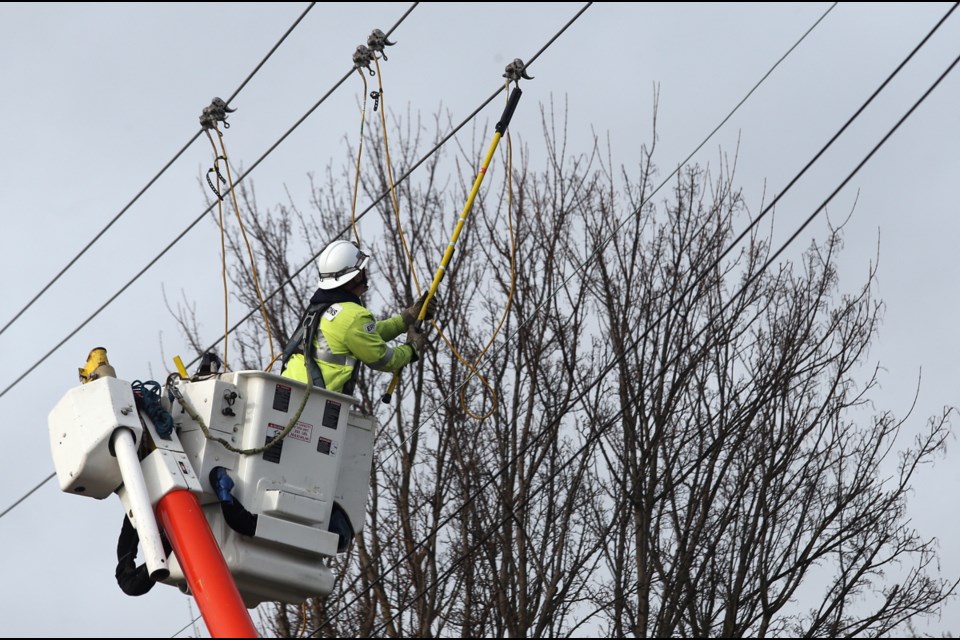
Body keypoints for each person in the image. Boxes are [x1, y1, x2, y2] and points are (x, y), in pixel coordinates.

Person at [280, 239, 438, 395]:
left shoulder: (320, 307)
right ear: (357, 277)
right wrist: (412, 348)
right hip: (313, 400)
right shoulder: (353, 316)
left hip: (289, 390)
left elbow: (368, 335)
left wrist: (408, 317)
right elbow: (383, 359)